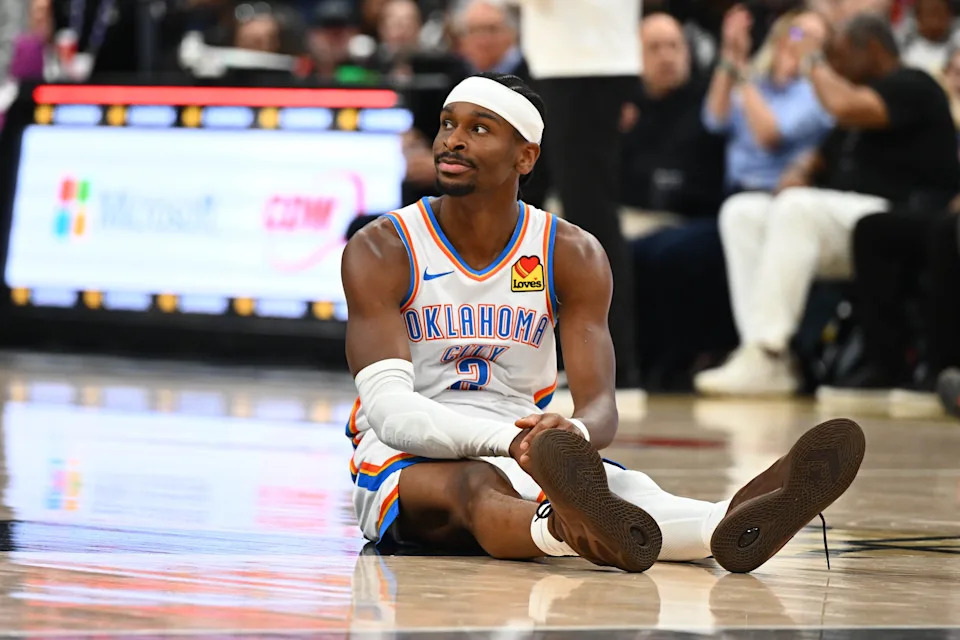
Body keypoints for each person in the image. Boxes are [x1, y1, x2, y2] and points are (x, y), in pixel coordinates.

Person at [340, 71, 866, 573]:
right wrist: (515, 442)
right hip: (407, 453)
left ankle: (731, 523)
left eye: (478, 128)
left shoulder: (571, 253)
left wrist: (576, 431)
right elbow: (389, 411)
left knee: (636, 495)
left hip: (530, 445)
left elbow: (601, 408)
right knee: (474, 487)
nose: (452, 140)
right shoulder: (384, 247)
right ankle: (564, 532)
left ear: (526, 156)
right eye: (448, 123)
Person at [694, 14, 960, 397]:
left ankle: (769, 347)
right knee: (743, 212)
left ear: (870, 49)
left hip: (897, 217)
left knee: (798, 207)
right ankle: (765, 356)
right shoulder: (853, 98)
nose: (833, 64)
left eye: (838, 54)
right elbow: (822, 155)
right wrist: (799, 168)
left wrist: (811, 59)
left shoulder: (912, 83)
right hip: (840, 219)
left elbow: (846, 106)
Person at [509, 0, 641, 387]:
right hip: (569, 60)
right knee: (528, 207)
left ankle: (609, 366)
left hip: (585, 64)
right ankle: (535, 351)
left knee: (590, 214)